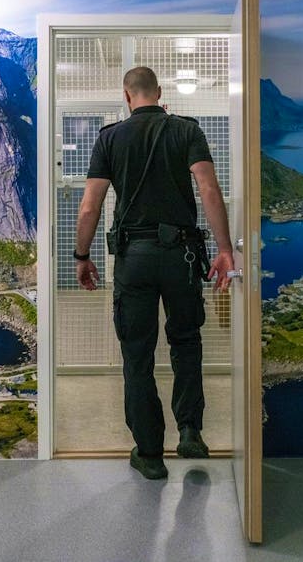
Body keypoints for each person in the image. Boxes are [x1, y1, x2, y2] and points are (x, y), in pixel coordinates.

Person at [74, 66, 235, 480]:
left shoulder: (109, 138)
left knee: (137, 354)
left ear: (126, 95)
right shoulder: (186, 131)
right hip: (182, 256)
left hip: (134, 258)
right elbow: (209, 189)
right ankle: (190, 431)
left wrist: (82, 256)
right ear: (159, 93)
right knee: (187, 341)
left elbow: (90, 206)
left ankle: (149, 454)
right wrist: (224, 250)